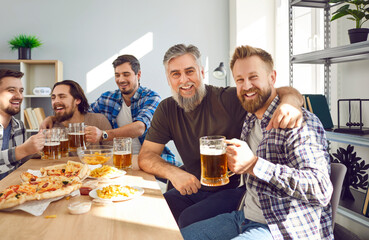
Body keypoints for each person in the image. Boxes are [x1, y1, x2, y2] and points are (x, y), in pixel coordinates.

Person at [138, 44, 304, 229]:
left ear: (202, 72)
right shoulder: (167, 109)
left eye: (190, 71)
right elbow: (146, 156)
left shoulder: (228, 99)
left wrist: (291, 102)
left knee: (188, 219)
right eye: (175, 74)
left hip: (234, 190)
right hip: (194, 186)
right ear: (169, 79)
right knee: (153, 210)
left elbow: (271, 91)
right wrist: (174, 172)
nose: (184, 80)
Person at [181, 45, 333, 239]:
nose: (246, 86)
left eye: (253, 77)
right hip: (243, 217)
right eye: (240, 80)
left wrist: (254, 165)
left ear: (272, 77)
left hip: (283, 227)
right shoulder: (250, 118)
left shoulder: (299, 122)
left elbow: (321, 189)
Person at [86, 54, 177, 165]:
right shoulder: (107, 98)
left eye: (126, 74)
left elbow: (139, 128)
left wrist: (104, 135)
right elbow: (85, 115)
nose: (121, 79)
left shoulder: (151, 97)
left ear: (138, 74)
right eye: (117, 75)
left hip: (152, 161)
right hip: (119, 161)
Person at [0, 69, 45, 180]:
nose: (19, 96)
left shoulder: (19, 126)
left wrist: (37, 150)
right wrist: (23, 150)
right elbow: (20, 152)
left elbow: (19, 162)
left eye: (21, 91)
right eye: (11, 90)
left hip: (11, 191)